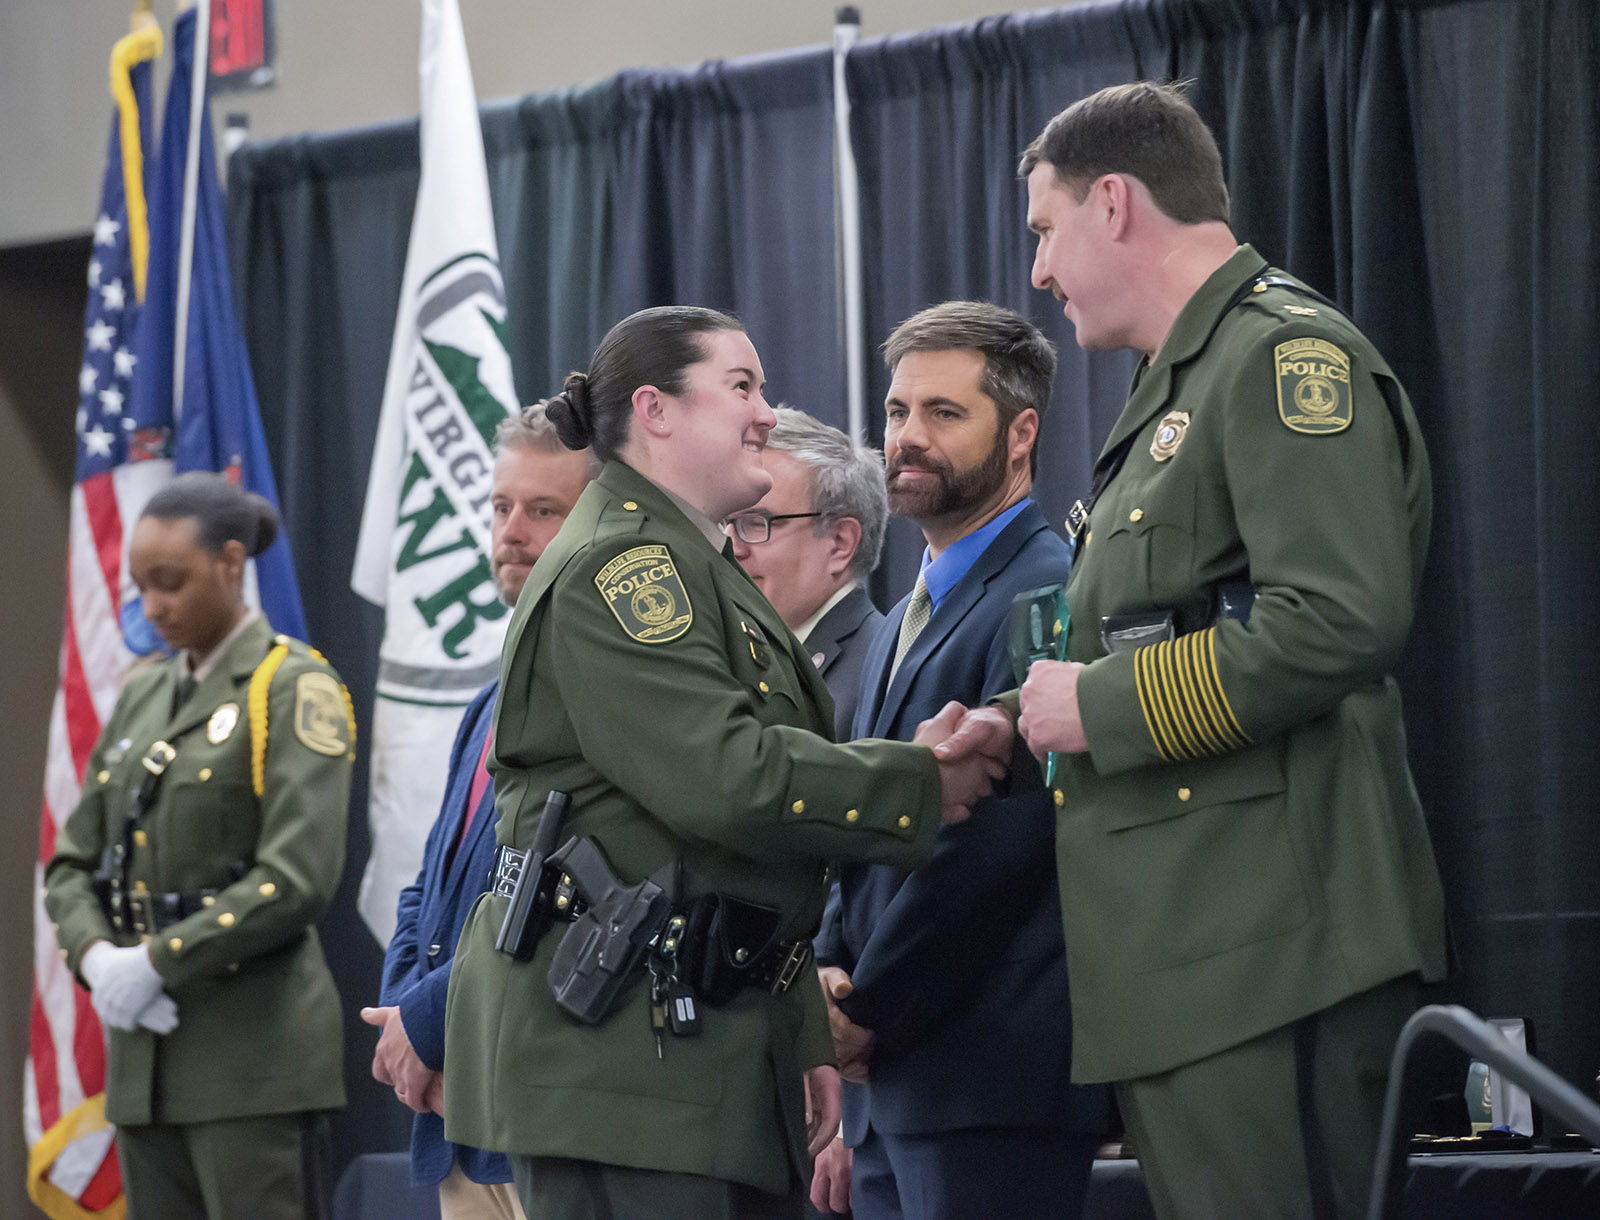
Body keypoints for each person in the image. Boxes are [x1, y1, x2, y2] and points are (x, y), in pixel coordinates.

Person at [943, 82, 1451, 1220]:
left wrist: (1103, 710)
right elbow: (1158, 628)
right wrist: (1028, 715)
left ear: (1112, 202)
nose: (1036, 272)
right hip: (1199, 954)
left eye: (1043, 230)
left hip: (1272, 953)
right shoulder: (1179, 385)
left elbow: (1337, 618)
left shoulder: (1279, 359)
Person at [441, 305, 1007, 1220]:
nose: (764, 412)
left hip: (690, 1055)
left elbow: (734, 860)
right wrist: (919, 782)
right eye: (741, 386)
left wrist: (798, 1039)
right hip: (621, 1068)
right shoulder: (620, 570)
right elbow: (728, 779)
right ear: (656, 412)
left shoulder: (690, 563)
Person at [810, 302, 1108, 1220]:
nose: (907, 438)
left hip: (992, 1082)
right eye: (898, 412)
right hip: (894, 1082)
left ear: (1021, 434)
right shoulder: (899, 618)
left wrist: (866, 1011)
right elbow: (865, 819)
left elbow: (999, 848)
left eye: (944, 413)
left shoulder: (1049, 586)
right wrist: (827, 965)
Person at [44, 472, 353, 1220]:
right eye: (142, 586)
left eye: (172, 583)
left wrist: (155, 961)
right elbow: (72, 863)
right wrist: (96, 958)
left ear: (232, 564)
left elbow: (297, 877)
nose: (153, 608)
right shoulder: (146, 695)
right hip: (147, 1069)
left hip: (253, 1062)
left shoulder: (290, 688)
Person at [361, 402, 597, 1220]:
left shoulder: (607, 690)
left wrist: (429, 1020)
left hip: (545, 1111)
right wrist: (406, 1018)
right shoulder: (494, 696)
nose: (512, 533)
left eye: (543, 511)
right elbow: (431, 884)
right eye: (500, 508)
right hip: (455, 1109)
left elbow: (566, 895)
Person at [726, 406, 888, 737]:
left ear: (840, 543)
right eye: (722, 522)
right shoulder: (735, 659)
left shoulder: (883, 670)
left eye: (756, 523)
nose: (730, 547)